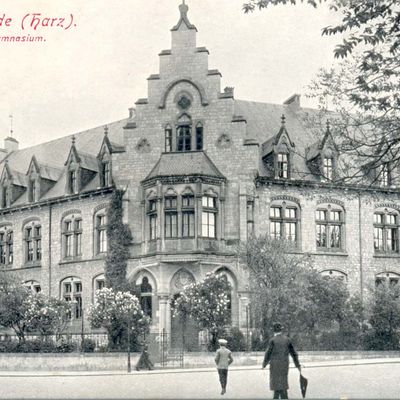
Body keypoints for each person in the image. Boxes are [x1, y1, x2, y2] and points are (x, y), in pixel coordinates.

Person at [262, 323, 301, 399]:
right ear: (281, 330)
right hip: (284, 365)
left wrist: (264, 364)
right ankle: (283, 397)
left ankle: (277, 397)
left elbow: (268, 353)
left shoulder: (272, 340)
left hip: (274, 366)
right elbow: (294, 354)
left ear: (274, 331)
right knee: (283, 383)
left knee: (276, 385)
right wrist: (298, 365)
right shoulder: (287, 340)